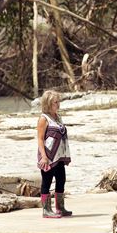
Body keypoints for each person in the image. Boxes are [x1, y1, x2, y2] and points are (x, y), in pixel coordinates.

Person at [36, 90, 72, 218]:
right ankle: (46, 210)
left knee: (61, 180)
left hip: (59, 156)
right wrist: (44, 157)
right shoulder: (43, 119)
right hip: (48, 156)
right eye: (55, 102)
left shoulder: (58, 117)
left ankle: (60, 208)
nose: (58, 104)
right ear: (48, 104)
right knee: (46, 181)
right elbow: (40, 139)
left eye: (58, 102)